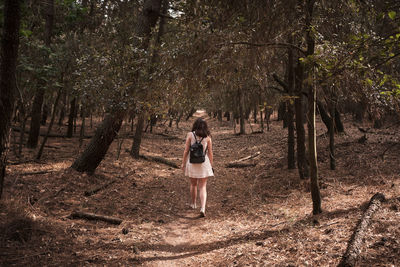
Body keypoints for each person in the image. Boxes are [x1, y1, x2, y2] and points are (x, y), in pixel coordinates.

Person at [181, 118, 214, 217]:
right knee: (203, 186)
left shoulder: (190, 135)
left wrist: (183, 163)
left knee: (193, 184)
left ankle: (193, 203)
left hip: (192, 162)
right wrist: (211, 165)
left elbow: (186, 151)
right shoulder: (208, 137)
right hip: (203, 163)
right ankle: (203, 208)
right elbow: (210, 153)